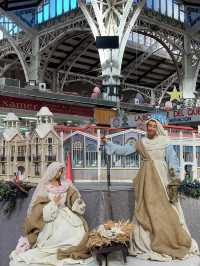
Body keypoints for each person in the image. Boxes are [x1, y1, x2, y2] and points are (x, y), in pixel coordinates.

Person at [103, 119, 199, 261]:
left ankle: (169, 235)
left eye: (154, 126)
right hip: (147, 179)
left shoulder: (164, 141)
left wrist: (174, 173)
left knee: (166, 206)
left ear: (157, 128)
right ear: (147, 128)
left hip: (162, 177)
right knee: (147, 206)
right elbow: (125, 150)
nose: (151, 128)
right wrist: (108, 144)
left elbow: (172, 158)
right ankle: (148, 236)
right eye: (149, 126)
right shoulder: (142, 142)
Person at [9, 162, 93, 266]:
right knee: (54, 235)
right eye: (58, 171)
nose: (60, 173)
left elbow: (73, 196)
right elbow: (40, 207)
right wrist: (54, 203)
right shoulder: (46, 187)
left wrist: (76, 201)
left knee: (77, 232)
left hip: (66, 213)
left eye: (61, 171)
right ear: (52, 172)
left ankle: (70, 248)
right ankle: (55, 248)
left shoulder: (66, 184)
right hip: (52, 214)